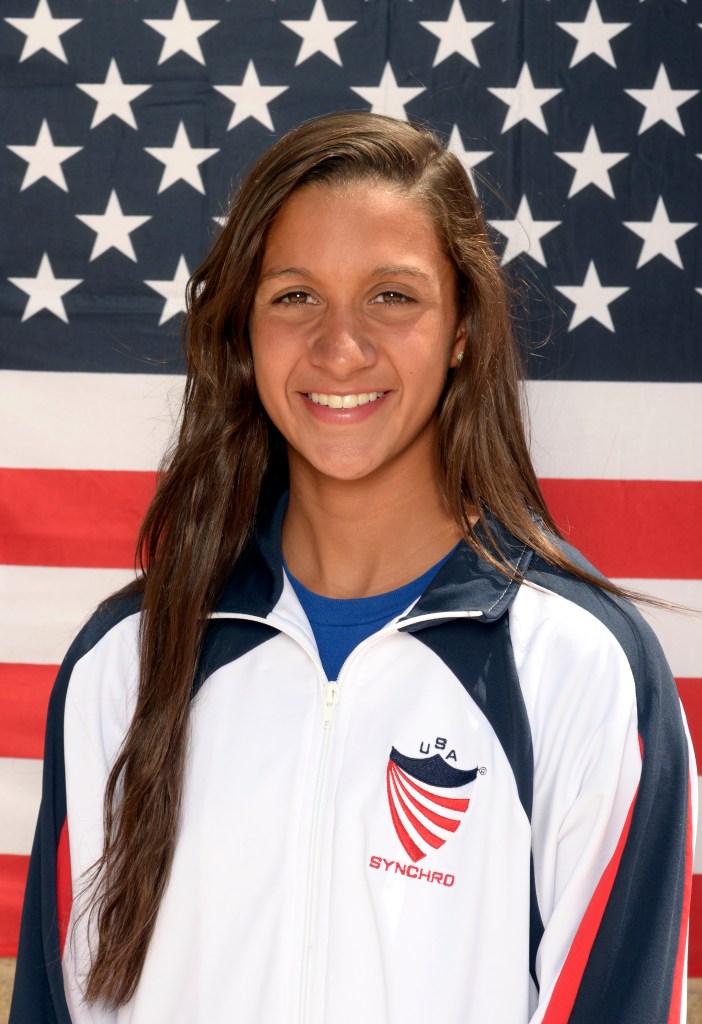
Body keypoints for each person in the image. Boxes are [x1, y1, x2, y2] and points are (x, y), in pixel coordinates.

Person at [10, 112, 695, 1024]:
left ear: (462, 329)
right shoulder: (126, 662)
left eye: (392, 296)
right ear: (243, 334)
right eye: (294, 296)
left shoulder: (581, 669)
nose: (340, 347)